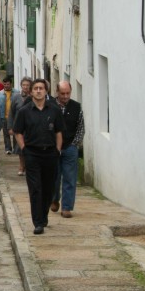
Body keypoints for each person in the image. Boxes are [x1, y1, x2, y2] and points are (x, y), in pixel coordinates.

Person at [13, 79, 64, 235]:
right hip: (32, 154)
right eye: (36, 88)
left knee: (48, 188)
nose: (39, 91)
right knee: (35, 189)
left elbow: (59, 132)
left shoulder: (54, 110)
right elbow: (17, 132)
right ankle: (38, 222)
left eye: (41, 88)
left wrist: (57, 150)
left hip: (50, 153)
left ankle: (44, 215)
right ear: (31, 92)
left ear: (46, 91)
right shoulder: (24, 111)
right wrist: (24, 148)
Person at [51, 81, 85, 218]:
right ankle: (54, 199)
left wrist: (74, 144)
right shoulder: (50, 106)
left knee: (70, 178)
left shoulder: (76, 107)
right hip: (53, 147)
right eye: (62, 93)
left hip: (70, 147)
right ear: (57, 92)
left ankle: (66, 207)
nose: (65, 96)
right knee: (54, 176)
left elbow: (81, 128)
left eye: (68, 93)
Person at [9, 77, 33, 175]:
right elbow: (11, 112)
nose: (25, 87)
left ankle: (28, 166)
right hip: (19, 127)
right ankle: (21, 165)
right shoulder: (16, 97)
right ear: (21, 86)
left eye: (27, 85)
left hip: (30, 127)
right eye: (24, 85)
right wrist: (10, 127)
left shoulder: (33, 97)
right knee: (19, 148)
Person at [0, 76, 17, 152]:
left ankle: (16, 149)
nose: (6, 86)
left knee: (15, 133)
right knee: (6, 134)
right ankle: (8, 148)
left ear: (11, 84)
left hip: (14, 117)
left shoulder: (17, 93)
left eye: (8, 84)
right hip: (4, 116)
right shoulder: (0, 94)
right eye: (5, 84)